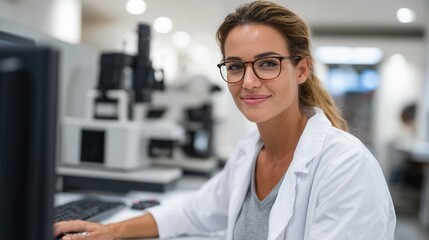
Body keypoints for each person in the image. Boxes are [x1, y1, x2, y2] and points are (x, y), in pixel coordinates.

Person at [54, 1, 396, 239]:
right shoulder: (252, 150)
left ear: (302, 69)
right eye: (235, 66)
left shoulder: (346, 167)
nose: (248, 82)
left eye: (267, 63)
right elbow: (195, 211)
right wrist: (113, 230)